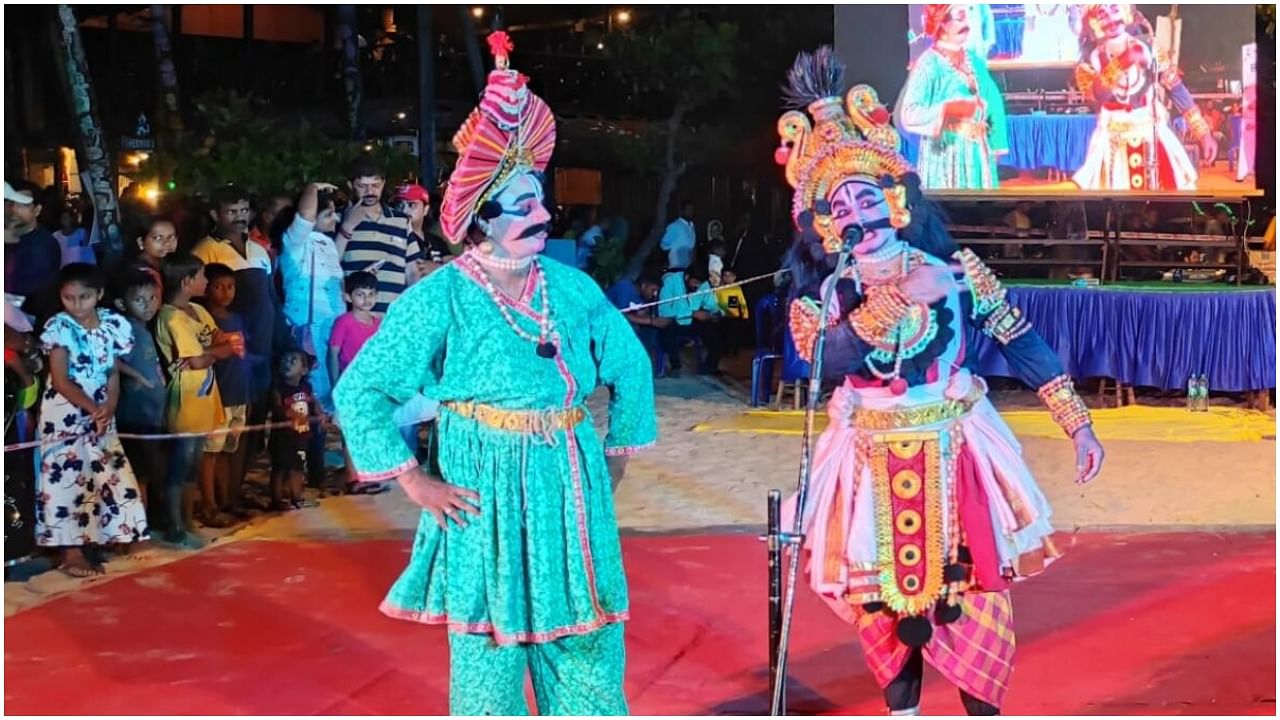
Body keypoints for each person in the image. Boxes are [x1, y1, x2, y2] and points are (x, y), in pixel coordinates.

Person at [774, 48, 1105, 715]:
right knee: (879, 602)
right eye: (838, 205)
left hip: (957, 450)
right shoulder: (822, 296)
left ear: (895, 203)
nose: (854, 214)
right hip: (864, 457)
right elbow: (826, 362)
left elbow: (1018, 336)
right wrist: (899, 300)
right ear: (824, 224)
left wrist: (1077, 422)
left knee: (974, 590)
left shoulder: (954, 269)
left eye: (866, 196)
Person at [333, 33, 656, 715]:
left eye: (541, 200)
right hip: (481, 492)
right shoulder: (439, 296)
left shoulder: (570, 287)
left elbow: (629, 364)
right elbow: (359, 389)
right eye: (525, 207)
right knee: (488, 662)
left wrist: (617, 455)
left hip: (570, 484)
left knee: (590, 647)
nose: (544, 215)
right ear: (482, 220)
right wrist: (411, 480)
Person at [35, 263, 149, 577]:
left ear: (99, 294)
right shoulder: (59, 327)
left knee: (109, 469)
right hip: (65, 414)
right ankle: (71, 552)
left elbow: (111, 372)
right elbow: (60, 379)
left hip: (100, 412)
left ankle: (117, 535)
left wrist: (108, 407)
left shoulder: (112, 324)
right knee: (67, 479)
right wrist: (91, 408)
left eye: (84, 297)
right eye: (69, 298)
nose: (76, 305)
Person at [1072, 4, 1216, 191]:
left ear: (1125, 11)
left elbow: (1176, 88)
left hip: (1153, 135)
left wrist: (1203, 133)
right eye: (1102, 14)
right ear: (1093, 21)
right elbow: (1098, 95)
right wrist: (1125, 60)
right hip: (1112, 143)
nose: (1111, 19)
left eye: (1115, 9)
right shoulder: (1088, 60)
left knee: (1169, 202)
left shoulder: (1150, 46)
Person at [155, 253, 234, 549]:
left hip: (204, 393)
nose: (206, 281)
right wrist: (214, 352)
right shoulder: (171, 317)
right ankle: (175, 524)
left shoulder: (198, 311)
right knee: (180, 464)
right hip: (185, 397)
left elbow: (223, 342)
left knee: (193, 462)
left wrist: (211, 351)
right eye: (202, 276)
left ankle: (187, 522)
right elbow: (201, 359)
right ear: (187, 281)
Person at [192, 185, 277, 441]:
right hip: (231, 349)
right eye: (231, 211)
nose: (240, 216)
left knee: (253, 418)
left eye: (244, 210)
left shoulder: (260, 250)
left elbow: (271, 297)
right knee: (226, 428)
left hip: (262, 344)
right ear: (216, 215)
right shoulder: (204, 251)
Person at [895, 6, 1007, 190]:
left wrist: (995, 143)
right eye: (960, 18)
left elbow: (993, 100)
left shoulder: (973, 60)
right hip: (945, 154)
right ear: (942, 23)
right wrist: (947, 110)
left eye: (967, 17)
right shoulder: (928, 64)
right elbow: (909, 113)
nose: (966, 24)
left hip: (978, 153)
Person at [279, 182, 347, 413]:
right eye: (328, 214)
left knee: (333, 391)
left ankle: (328, 444)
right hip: (308, 330)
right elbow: (306, 215)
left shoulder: (327, 243)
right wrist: (312, 188)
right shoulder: (296, 243)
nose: (335, 219)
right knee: (310, 394)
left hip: (333, 331)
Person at [327, 271, 394, 495]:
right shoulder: (343, 322)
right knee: (351, 431)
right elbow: (333, 354)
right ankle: (352, 476)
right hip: (351, 385)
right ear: (348, 297)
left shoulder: (378, 323)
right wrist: (337, 385)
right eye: (360, 294)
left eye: (371, 294)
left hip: (373, 387)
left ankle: (367, 474)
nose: (366, 299)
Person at [114, 269, 168, 533]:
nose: (148, 306)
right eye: (140, 300)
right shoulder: (126, 329)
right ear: (122, 304)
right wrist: (138, 377)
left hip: (153, 415)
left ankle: (147, 524)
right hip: (136, 415)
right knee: (139, 475)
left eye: (152, 298)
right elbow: (111, 359)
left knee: (151, 471)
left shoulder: (144, 330)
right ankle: (136, 529)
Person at [202, 263, 255, 524]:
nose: (225, 293)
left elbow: (242, 357)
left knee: (229, 451)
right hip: (218, 399)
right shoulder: (205, 320)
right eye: (218, 287)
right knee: (211, 452)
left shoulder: (237, 318)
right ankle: (210, 504)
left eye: (230, 287)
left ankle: (227, 499)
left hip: (239, 395)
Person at [339, 157, 424, 316]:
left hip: (393, 318)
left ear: (383, 184)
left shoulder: (401, 221)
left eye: (375, 186)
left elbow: (412, 271)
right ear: (351, 186)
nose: (370, 192)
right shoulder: (339, 219)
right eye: (362, 186)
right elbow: (329, 264)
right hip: (354, 320)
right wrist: (346, 227)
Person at [270, 349, 320, 511]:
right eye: (285, 360)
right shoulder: (279, 388)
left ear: (304, 370)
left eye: (293, 361)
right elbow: (277, 408)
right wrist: (291, 414)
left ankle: (297, 497)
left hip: (301, 435)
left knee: (298, 467)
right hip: (282, 437)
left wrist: (320, 414)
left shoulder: (306, 387)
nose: (287, 363)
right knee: (280, 467)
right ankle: (276, 499)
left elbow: (313, 403)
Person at [4, 181, 62, 319]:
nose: (13, 210)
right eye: (8, 202)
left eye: (22, 205)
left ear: (37, 210)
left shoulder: (42, 245)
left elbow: (20, 291)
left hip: (27, 323)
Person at [657, 262, 723, 375]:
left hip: (692, 323)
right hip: (674, 321)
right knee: (668, 331)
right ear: (687, 277)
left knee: (717, 328)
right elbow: (664, 311)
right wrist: (692, 313)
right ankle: (675, 368)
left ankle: (709, 367)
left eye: (700, 284)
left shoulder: (703, 285)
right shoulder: (671, 282)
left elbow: (711, 304)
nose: (697, 287)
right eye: (695, 283)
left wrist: (716, 313)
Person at [606, 272, 669, 372]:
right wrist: (650, 321)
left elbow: (641, 314)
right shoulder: (625, 287)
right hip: (608, 324)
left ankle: (642, 363)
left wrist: (655, 320)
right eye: (653, 290)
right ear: (644, 285)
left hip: (625, 325)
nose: (654, 294)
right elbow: (621, 315)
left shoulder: (643, 298)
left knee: (651, 331)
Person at [397, 183, 451, 274]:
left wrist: (436, 268)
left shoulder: (435, 241)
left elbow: (456, 266)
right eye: (400, 205)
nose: (404, 211)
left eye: (412, 205)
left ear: (426, 209)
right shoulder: (393, 239)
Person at [126, 215, 179, 293]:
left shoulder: (174, 267)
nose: (167, 243)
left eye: (171, 237)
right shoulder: (137, 275)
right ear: (140, 242)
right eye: (158, 238)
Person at [660, 199, 697, 269]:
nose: (691, 212)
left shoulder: (692, 226)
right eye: (689, 209)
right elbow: (663, 245)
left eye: (692, 209)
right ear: (682, 211)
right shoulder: (675, 226)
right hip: (675, 266)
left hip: (688, 266)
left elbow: (692, 246)